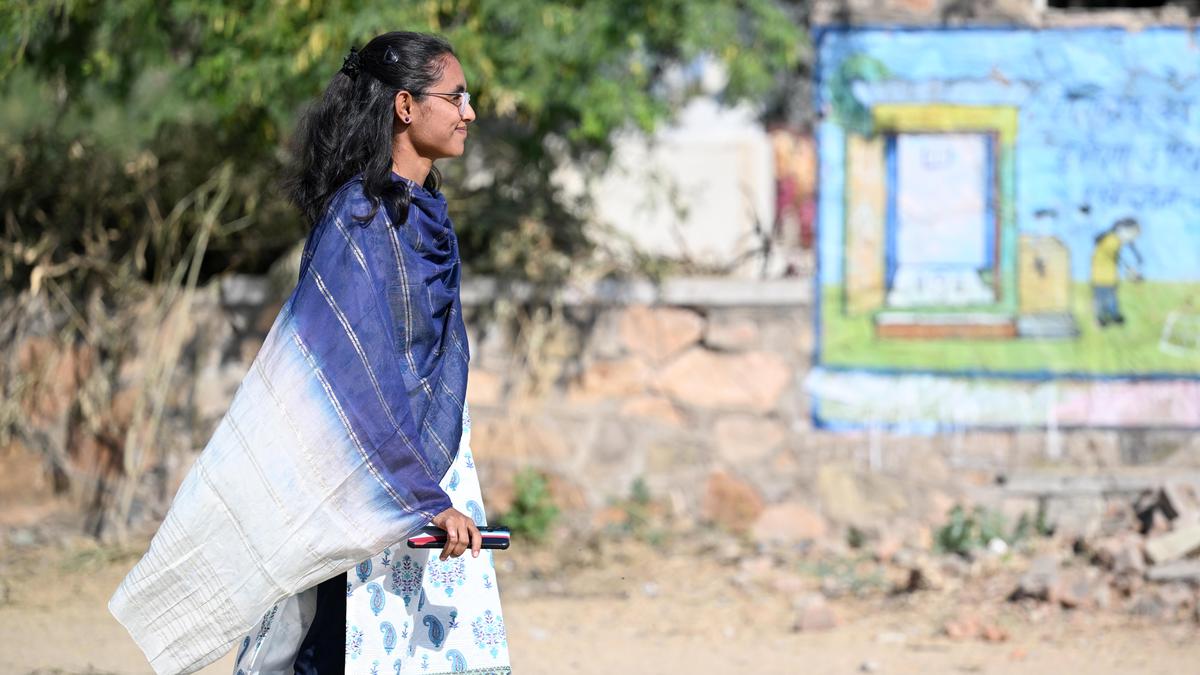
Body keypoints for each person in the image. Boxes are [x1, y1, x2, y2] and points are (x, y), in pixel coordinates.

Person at [109, 32, 509, 675]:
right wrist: (420, 497)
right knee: (337, 649)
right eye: (456, 97)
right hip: (355, 481)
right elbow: (349, 380)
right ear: (406, 106)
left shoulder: (425, 214)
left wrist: (431, 492)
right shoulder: (361, 219)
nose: (470, 111)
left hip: (425, 475)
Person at [1090, 217, 1142, 327]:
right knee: (1104, 299)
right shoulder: (1113, 241)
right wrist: (1131, 272)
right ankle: (1102, 319)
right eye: (1133, 233)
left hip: (1105, 276)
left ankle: (1111, 317)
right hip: (1104, 276)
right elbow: (1119, 258)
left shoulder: (1111, 239)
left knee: (1109, 298)